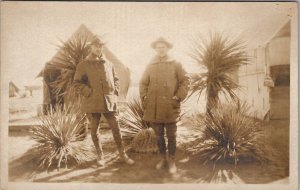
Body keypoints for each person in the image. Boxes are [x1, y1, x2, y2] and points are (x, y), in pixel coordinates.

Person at [73, 36, 135, 166]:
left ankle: (122, 154)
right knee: (95, 130)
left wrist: (115, 92)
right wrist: (89, 92)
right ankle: (100, 156)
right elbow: (77, 83)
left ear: (102, 47)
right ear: (91, 47)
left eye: (100, 46)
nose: (98, 48)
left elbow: (116, 79)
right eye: (95, 45)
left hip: (109, 102)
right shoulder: (83, 64)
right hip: (93, 102)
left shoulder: (109, 64)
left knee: (116, 127)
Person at [139, 37, 189, 174]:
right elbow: (143, 83)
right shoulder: (150, 65)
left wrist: (177, 97)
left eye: (163, 47)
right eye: (158, 47)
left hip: (170, 106)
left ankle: (172, 161)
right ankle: (163, 159)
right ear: (155, 49)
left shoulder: (176, 63)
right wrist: (144, 98)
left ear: (167, 48)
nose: (161, 49)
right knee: (159, 136)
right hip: (154, 107)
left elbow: (185, 81)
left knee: (171, 135)